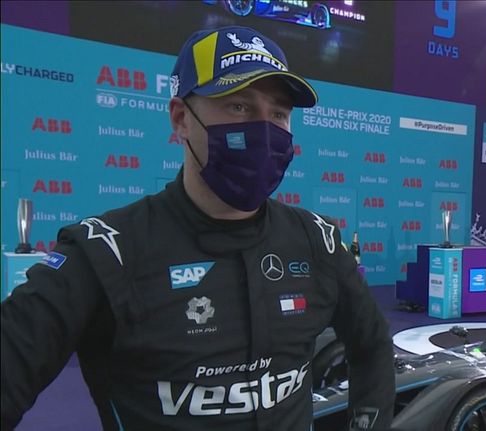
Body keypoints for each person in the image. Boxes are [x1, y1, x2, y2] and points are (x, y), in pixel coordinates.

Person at [1, 26, 394, 430]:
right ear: (181, 119)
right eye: (239, 106)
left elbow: (373, 344)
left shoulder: (317, 240)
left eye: (278, 114)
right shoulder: (105, 253)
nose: (263, 130)